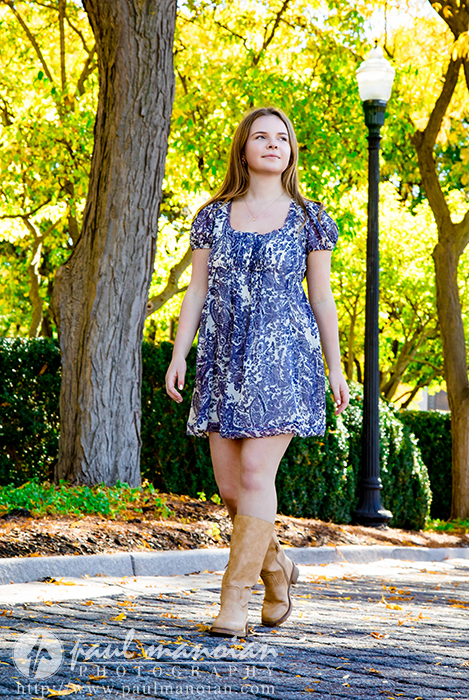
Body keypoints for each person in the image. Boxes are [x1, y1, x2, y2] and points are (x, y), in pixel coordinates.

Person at [165, 106, 349, 638]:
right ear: (243, 149)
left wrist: (335, 369)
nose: (273, 144)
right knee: (229, 487)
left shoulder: (311, 218)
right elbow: (196, 289)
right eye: (261, 137)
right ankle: (277, 570)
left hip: (284, 361)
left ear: (291, 151)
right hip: (223, 359)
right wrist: (180, 354)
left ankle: (233, 601)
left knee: (253, 477)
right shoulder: (211, 216)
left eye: (282, 137)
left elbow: (322, 297)